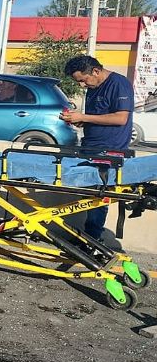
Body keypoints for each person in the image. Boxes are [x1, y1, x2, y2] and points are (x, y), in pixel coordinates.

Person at [61, 54, 135, 241]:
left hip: (110, 149)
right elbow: (99, 118)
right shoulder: (93, 87)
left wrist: (84, 117)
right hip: (90, 147)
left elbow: (120, 118)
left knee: (98, 197)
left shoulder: (119, 84)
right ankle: (88, 236)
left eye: (83, 81)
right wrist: (79, 122)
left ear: (95, 71)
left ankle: (93, 238)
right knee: (88, 194)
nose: (82, 86)